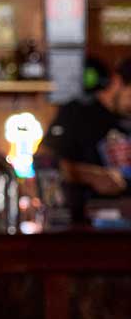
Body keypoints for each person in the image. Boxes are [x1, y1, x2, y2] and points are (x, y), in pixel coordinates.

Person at [42, 57, 131, 222]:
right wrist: (91, 176)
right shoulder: (76, 113)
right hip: (85, 222)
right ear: (118, 82)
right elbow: (45, 161)